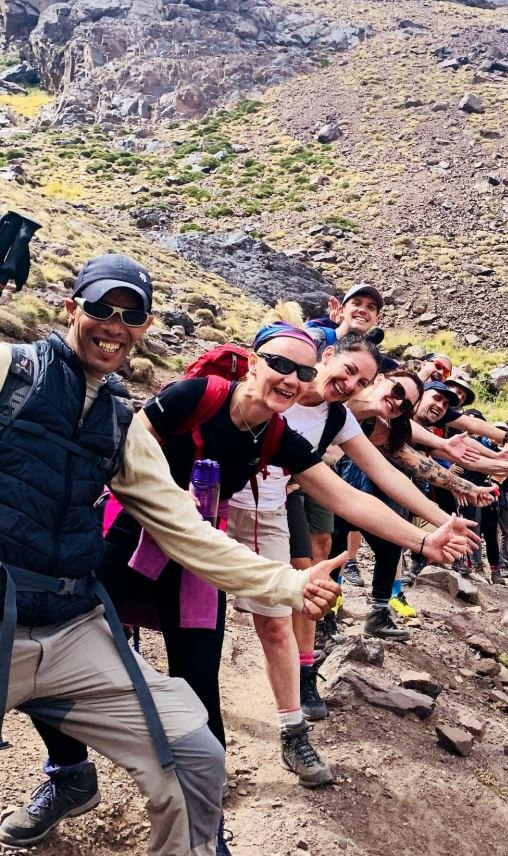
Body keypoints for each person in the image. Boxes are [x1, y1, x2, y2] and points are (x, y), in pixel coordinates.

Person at [8, 290, 475, 854]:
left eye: (300, 372)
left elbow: (352, 494)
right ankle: (68, 773)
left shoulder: (278, 436)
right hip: (126, 540)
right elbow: (124, 450)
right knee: (60, 644)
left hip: (200, 555)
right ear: (253, 359)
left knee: (200, 685)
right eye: (279, 363)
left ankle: (206, 829)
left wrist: (425, 537)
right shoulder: (196, 395)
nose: (290, 377)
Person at [0, 254, 347, 856]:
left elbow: (185, 528)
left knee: (195, 752)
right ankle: (67, 775)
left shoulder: (119, 419)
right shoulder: (11, 370)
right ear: (71, 308)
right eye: (101, 308)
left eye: (130, 315)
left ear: (144, 327)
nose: (114, 323)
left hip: (67, 624)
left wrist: (288, 586)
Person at [223, 330, 380, 784]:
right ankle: (192, 728)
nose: (351, 383)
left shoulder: (336, 418)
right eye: (349, 369)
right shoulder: (270, 384)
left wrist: (426, 534)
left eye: (362, 381)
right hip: (215, 507)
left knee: (275, 622)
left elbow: (379, 471)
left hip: (269, 510)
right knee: (199, 624)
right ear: (327, 354)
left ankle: (293, 733)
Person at [336, 370, 495, 640]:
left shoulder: (386, 427)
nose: (399, 403)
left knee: (389, 547)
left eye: (406, 402)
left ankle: (378, 611)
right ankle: (327, 614)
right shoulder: (352, 410)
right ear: (378, 379)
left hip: (390, 491)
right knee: (334, 541)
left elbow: (421, 465)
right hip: (346, 484)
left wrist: (473, 486)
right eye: (397, 393)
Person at [305, 283, 384, 589]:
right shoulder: (315, 338)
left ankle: (318, 618)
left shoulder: (371, 362)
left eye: (371, 307)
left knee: (320, 542)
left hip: (317, 458)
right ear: (340, 307)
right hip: (292, 455)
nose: (363, 310)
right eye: (358, 303)